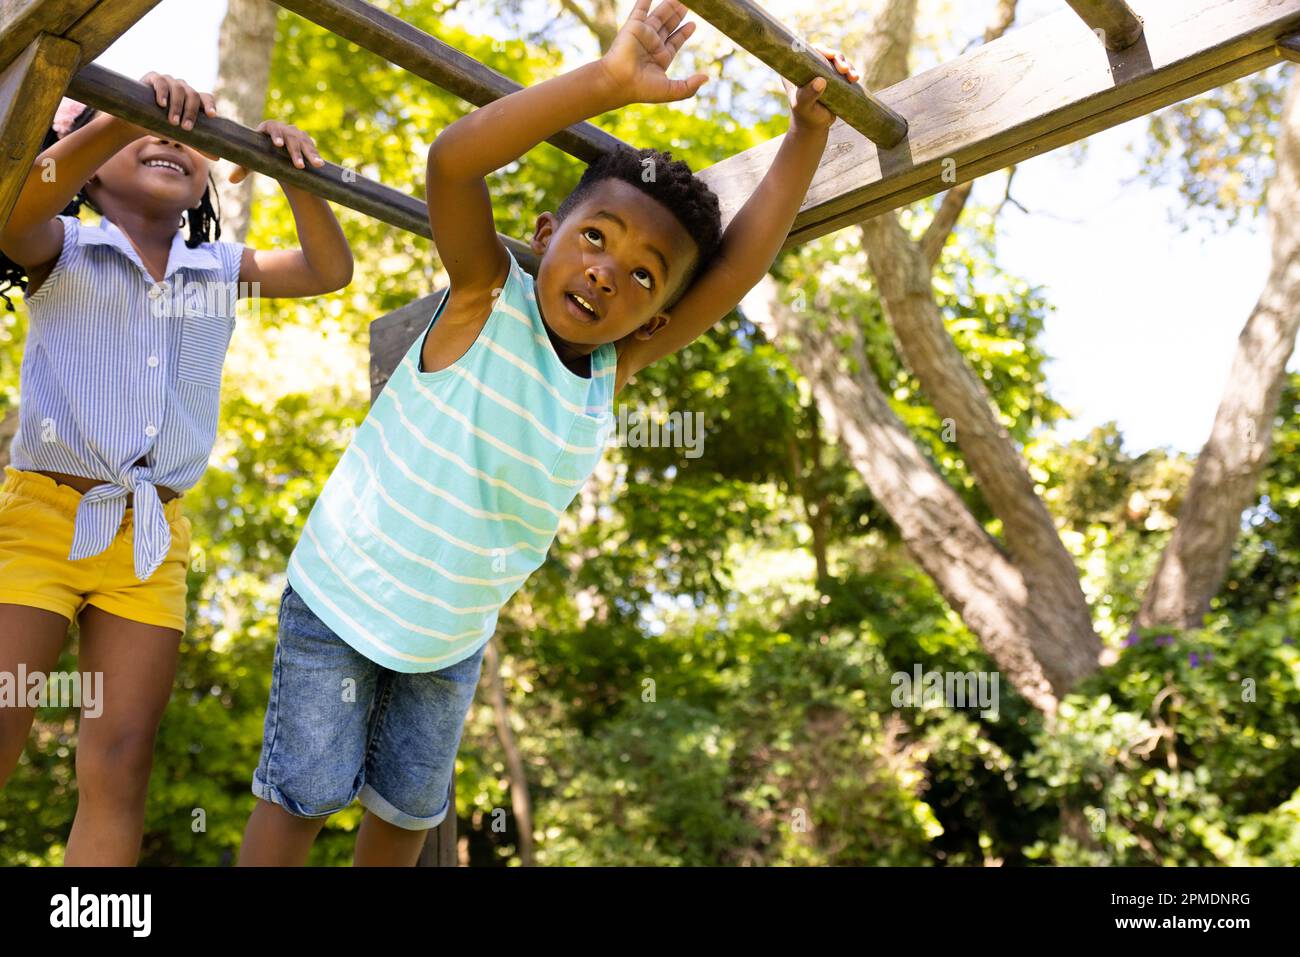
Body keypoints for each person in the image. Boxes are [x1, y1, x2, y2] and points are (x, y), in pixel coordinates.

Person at [238, 0, 860, 865]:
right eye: (595, 238)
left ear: (658, 312)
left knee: (405, 820)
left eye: (644, 275)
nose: (609, 273)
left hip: (449, 640)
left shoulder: (614, 367)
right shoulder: (484, 297)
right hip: (343, 601)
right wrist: (606, 84)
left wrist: (806, 135)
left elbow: (735, 268)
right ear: (545, 234)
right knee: (301, 800)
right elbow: (453, 163)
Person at [0, 72, 354, 865]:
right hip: (38, 521)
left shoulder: (220, 268)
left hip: (150, 542)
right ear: (87, 163)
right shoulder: (59, 245)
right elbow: (16, 205)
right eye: (143, 127)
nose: (169, 137)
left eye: (192, 134)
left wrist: (303, 180)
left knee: (123, 760)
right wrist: (121, 115)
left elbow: (330, 269)